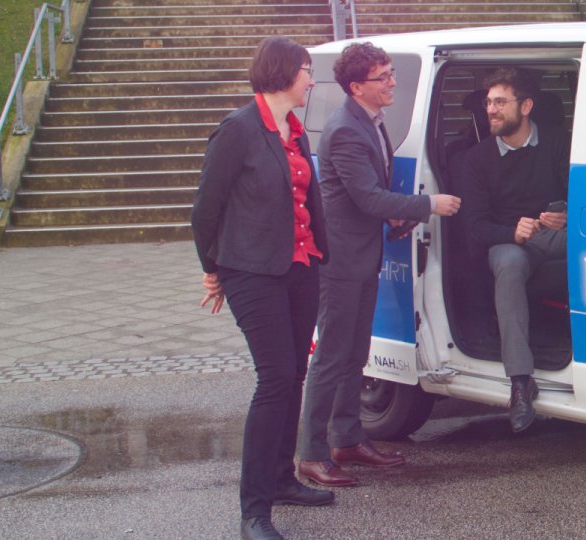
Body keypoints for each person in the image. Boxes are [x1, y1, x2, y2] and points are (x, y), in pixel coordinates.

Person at [295, 42, 461, 488]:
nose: (392, 83)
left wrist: (397, 214)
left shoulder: (371, 121)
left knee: (355, 354)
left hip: (362, 254)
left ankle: (347, 439)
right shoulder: (345, 130)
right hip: (341, 261)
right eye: (383, 77)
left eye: (391, 73)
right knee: (331, 358)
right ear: (356, 87)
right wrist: (428, 203)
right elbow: (367, 197)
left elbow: (367, 191)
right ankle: (310, 454)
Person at [191, 36, 331, 540]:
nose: (312, 80)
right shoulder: (238, 130)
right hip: (252, 272)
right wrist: (214, 269)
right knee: (274, 379)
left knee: (294, 373)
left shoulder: (294, 130)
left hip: (300, 265)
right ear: (284, 72)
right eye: (307, 71)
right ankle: (254, 511)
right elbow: (205, 211)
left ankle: (281, 480)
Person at [459, 67, 570, 433]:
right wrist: (513, 232)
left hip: (557, 233)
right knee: (507, 265)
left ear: (526, 106)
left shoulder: (559, 142)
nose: (491, 109)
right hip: (509, 242)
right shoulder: (476, 160)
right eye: (489, 102)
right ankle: (520, 382)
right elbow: (473, 228)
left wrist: (567, 214)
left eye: (500, 102)